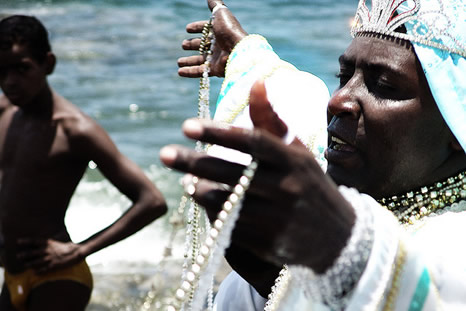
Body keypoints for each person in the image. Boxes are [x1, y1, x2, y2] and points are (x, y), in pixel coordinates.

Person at [163, 0, 466, 310]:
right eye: (344, 76)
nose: (339, 101)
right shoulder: (356, 205)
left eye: (384, 85)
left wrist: (288, 269)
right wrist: (245, 54)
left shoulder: (453, 246)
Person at [0, 15, 167, 311]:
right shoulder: (7, 115)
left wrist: (80, 251)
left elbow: (151, 201)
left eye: (22, 69)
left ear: (48, 64)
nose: (10, 81)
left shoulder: (75, 130)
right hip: (12, 275)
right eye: (2, 71)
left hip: (56, 278)